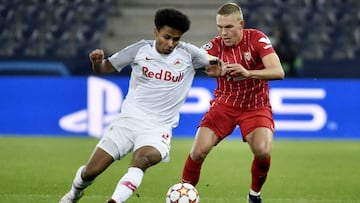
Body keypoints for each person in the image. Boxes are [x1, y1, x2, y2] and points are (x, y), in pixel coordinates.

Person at [59, 8, 225, 203]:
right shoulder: (139, 50)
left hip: (158, 128)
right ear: (156, 32)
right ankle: (73, 195)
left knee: (142, 159)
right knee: (91, 171)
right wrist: (96, 63)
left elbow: (216, 63)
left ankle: (114, 201)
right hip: (128, 122)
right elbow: (105, 67)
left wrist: (217, 68)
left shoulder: (189, 53)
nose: (171, 44)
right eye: (167, 37)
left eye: (176, 39)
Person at [181, 2, 285, 203]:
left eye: (228, 27)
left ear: (241, 25)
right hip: (224, 105)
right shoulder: (213, 47)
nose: (223, 33)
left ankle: (254, 195)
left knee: (263, 151)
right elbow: (191, 64)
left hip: (256, 106)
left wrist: (248, 73)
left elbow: (278, 72)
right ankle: (183, 194)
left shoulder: (257, 39)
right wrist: (208, 68)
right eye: (220, 27)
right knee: (198, 151)